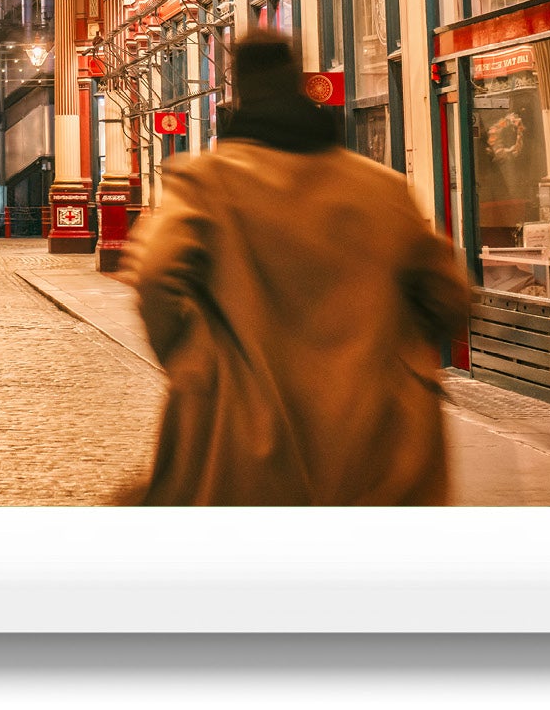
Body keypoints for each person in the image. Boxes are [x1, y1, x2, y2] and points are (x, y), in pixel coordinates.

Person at [125, 29, 473, 504]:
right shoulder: (382, 190)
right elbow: (450, 297)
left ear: (239, 92)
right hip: (376, 439)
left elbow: (154, 276)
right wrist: (400, 352)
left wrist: (190, 361)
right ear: (298, 85)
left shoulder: (207, 185)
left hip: (246, 434)